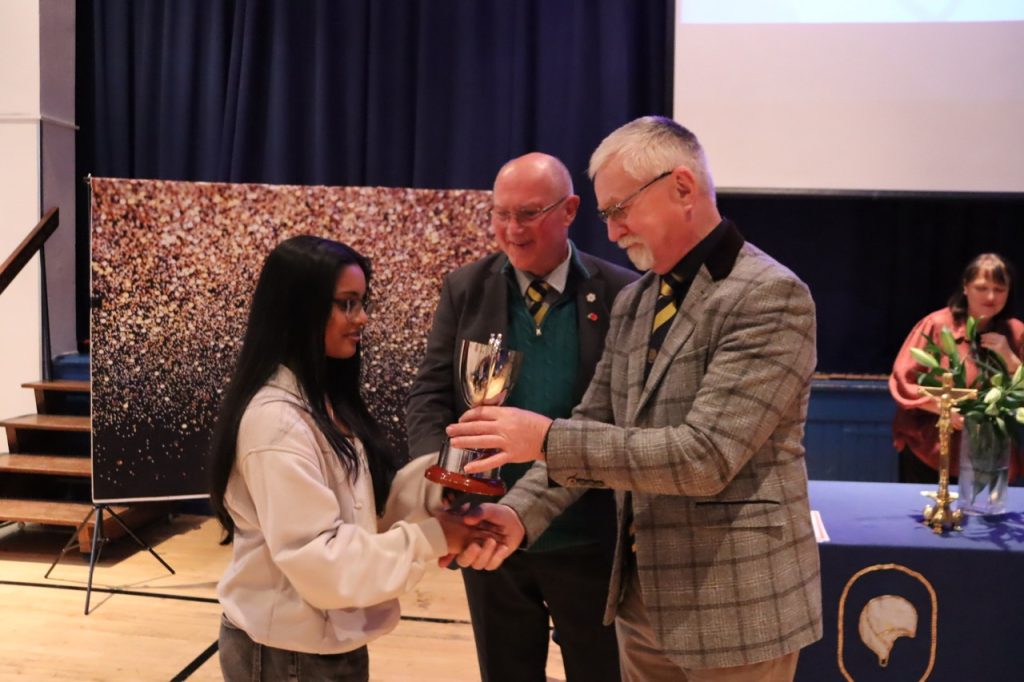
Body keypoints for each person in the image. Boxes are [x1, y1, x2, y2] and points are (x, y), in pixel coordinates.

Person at [447, 117, 823, 681]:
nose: (613, 231)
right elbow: (593, 424)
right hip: (641, 605)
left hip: (736, 609)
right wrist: (516, 515)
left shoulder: (769, 295)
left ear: (683, 187)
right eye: (606, 215)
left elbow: (705, 457)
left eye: (620, 209)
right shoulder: (636, 301)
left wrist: (543, 438)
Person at [208, 236, 498, 682]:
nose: (361, 318)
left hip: (324, 644)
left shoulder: (321, 400)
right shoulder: (276, 423)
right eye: (347, 304)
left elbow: (360, 515)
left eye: (362, 303)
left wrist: (439, 485)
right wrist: (435, 538)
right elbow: (321, 563)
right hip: (288, 654)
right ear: (300, 309)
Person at [406, 152, 637, 682]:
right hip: (487, 531)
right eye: (501, 214)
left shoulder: (622, 293)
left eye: (529, 214)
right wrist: (437, 481)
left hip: (589, 534)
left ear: (570, 210)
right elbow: (430, 394)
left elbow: (622, 418)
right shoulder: (466, 287)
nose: (512, 230)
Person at [890, 252, 1024, 483]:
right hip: (931, 451)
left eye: (999, 289)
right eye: (981, 288)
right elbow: (903, 382)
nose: (991, 296)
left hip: (990, 456)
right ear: (965, 287)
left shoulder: (1016, 332)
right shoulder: (936, 325)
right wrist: (942, 409)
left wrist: (1011, 360)